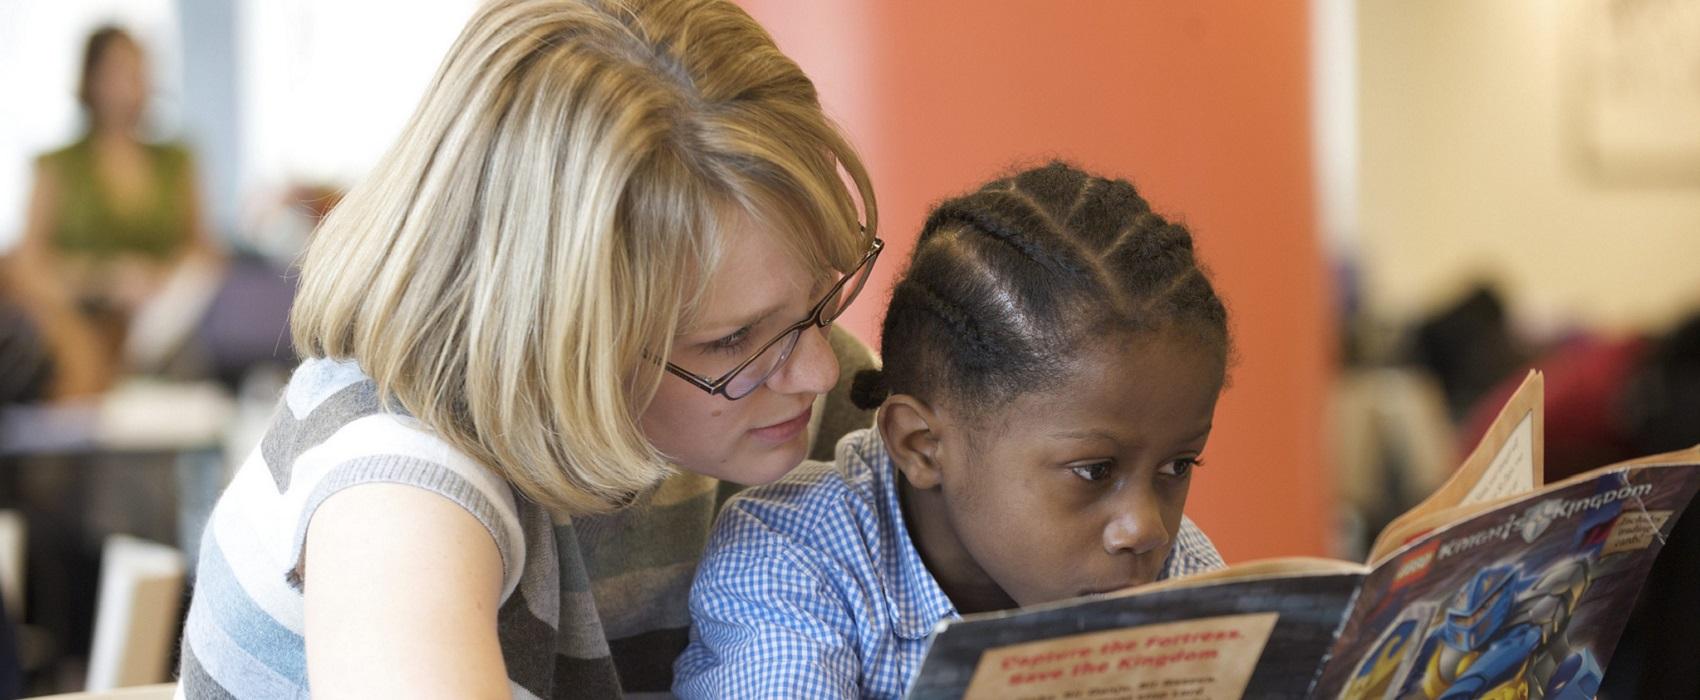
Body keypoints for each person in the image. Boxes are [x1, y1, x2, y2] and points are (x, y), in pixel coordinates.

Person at [176, 0, 880, 697]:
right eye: (732, 339)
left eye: (822, 297)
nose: (821, 368)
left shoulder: (787, 394)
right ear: (559, 333)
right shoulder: (395, 492)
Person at [675, 161, 1232, 698]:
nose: (1145, 528)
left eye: (1176, 467)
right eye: (1093, 470)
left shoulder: (1175, 571)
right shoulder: (791, 560)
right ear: (922, 446)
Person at [8, 26, 221, 398]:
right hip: (77, 313)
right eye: (118, 71)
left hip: (163, 317)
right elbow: (29, 262)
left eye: (139, 71)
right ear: (91, 79)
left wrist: (158, 281)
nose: (131, 84)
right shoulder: (56, 166)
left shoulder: (178, 161)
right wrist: (103, 281)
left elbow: (203, 250)